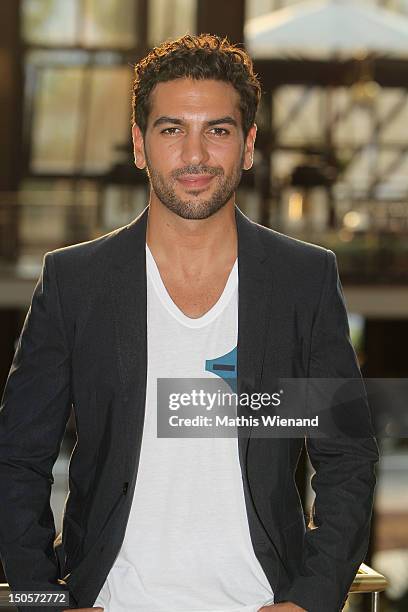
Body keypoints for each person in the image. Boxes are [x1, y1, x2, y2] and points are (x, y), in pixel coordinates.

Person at [0, 34, 379, 612]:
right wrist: (40, 604)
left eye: (218, 130)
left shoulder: (304, 279)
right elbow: (15, 461)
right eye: (173, 129)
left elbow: (347, 457)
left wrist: (312, 600)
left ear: (249, 145)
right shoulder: (74, 282)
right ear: (139, 144)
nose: (195, 155)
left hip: (262, 599)